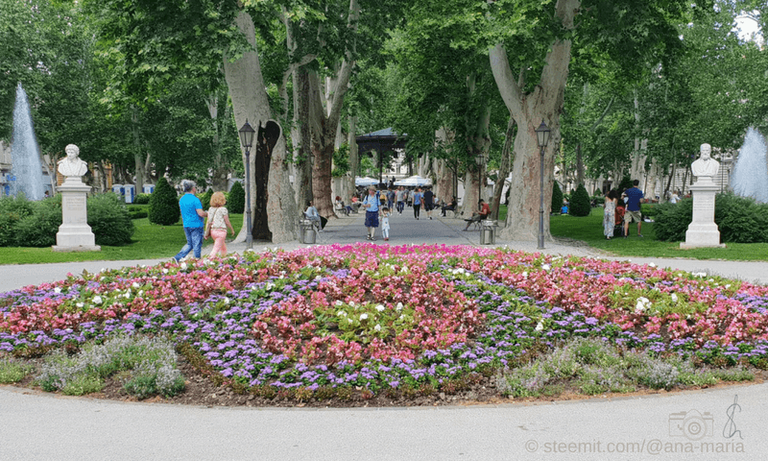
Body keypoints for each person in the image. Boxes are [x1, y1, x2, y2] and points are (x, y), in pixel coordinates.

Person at [173, 180, 208, 261]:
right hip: (196, 224)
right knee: (197, 244)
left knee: (190, 244)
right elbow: (200, 213)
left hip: (186, 224)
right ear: (193, 188)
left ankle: (177, 257)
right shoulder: (195, 200)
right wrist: (207, 213)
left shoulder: (182, 199)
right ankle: (196, 260)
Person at [204, 191, 235, 257]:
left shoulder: (210, 209)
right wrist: (232, 229)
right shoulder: (223, 209)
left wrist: (206, 232)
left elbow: (208, 221)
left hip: (213, 231)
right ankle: (209, 261)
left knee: (223, 247)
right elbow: (227, 221)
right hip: (221, 231)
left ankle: (224, 258)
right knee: (216, 249)